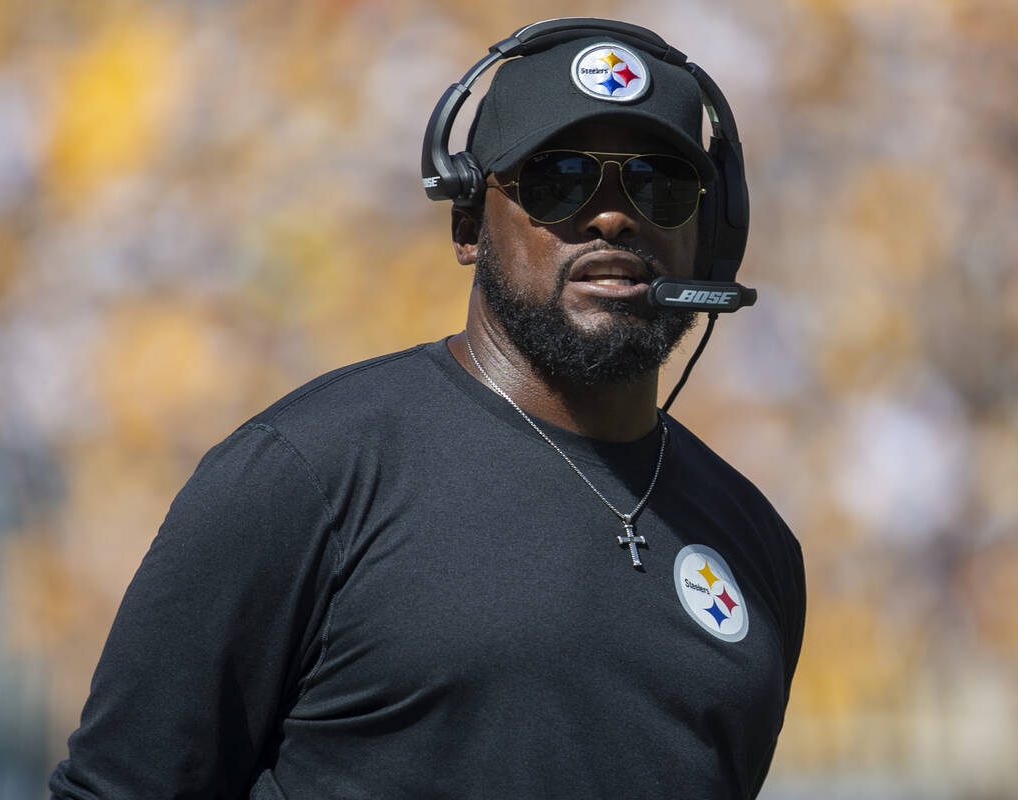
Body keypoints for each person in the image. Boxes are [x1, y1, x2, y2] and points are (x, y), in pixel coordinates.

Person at [50, 19, 805, 800]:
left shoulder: (756, 544)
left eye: (658, 184)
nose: (612, 216)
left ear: (711, 236)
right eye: (559, 179)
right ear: (469, 223)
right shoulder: (306, 475)